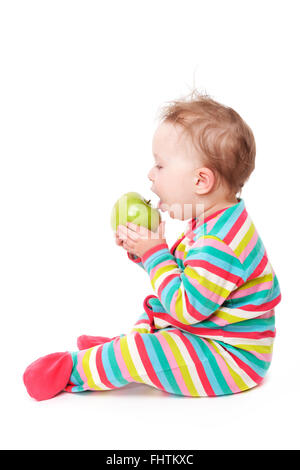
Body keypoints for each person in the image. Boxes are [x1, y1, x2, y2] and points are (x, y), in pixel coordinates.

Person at [23, 90, 281, 401]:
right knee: (155, 308)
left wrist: (155, 253)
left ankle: (75, 370)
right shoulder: (215, 222)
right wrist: (144, 253)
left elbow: (185, 309)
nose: (150, 173)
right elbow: (187, 279)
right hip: (209, 335)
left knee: (143, 351)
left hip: (231, 360)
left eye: (160, 166)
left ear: (201, 181)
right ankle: (116, 351)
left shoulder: (220, 243)